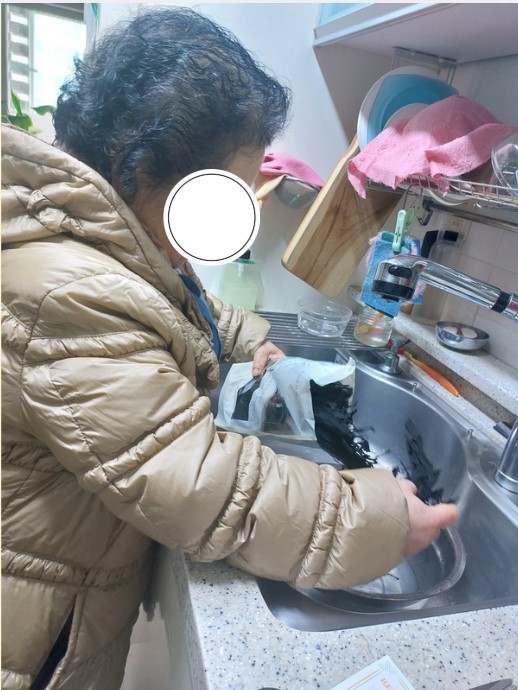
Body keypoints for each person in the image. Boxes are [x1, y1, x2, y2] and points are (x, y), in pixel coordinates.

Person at [1, 6, 459, 690]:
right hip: (36, 628)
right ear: (138, 168)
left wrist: (252, 341)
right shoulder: (68, 291)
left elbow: (184, 308)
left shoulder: (106, 241)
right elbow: (201, 487)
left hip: (66, 572)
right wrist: (379, 517)